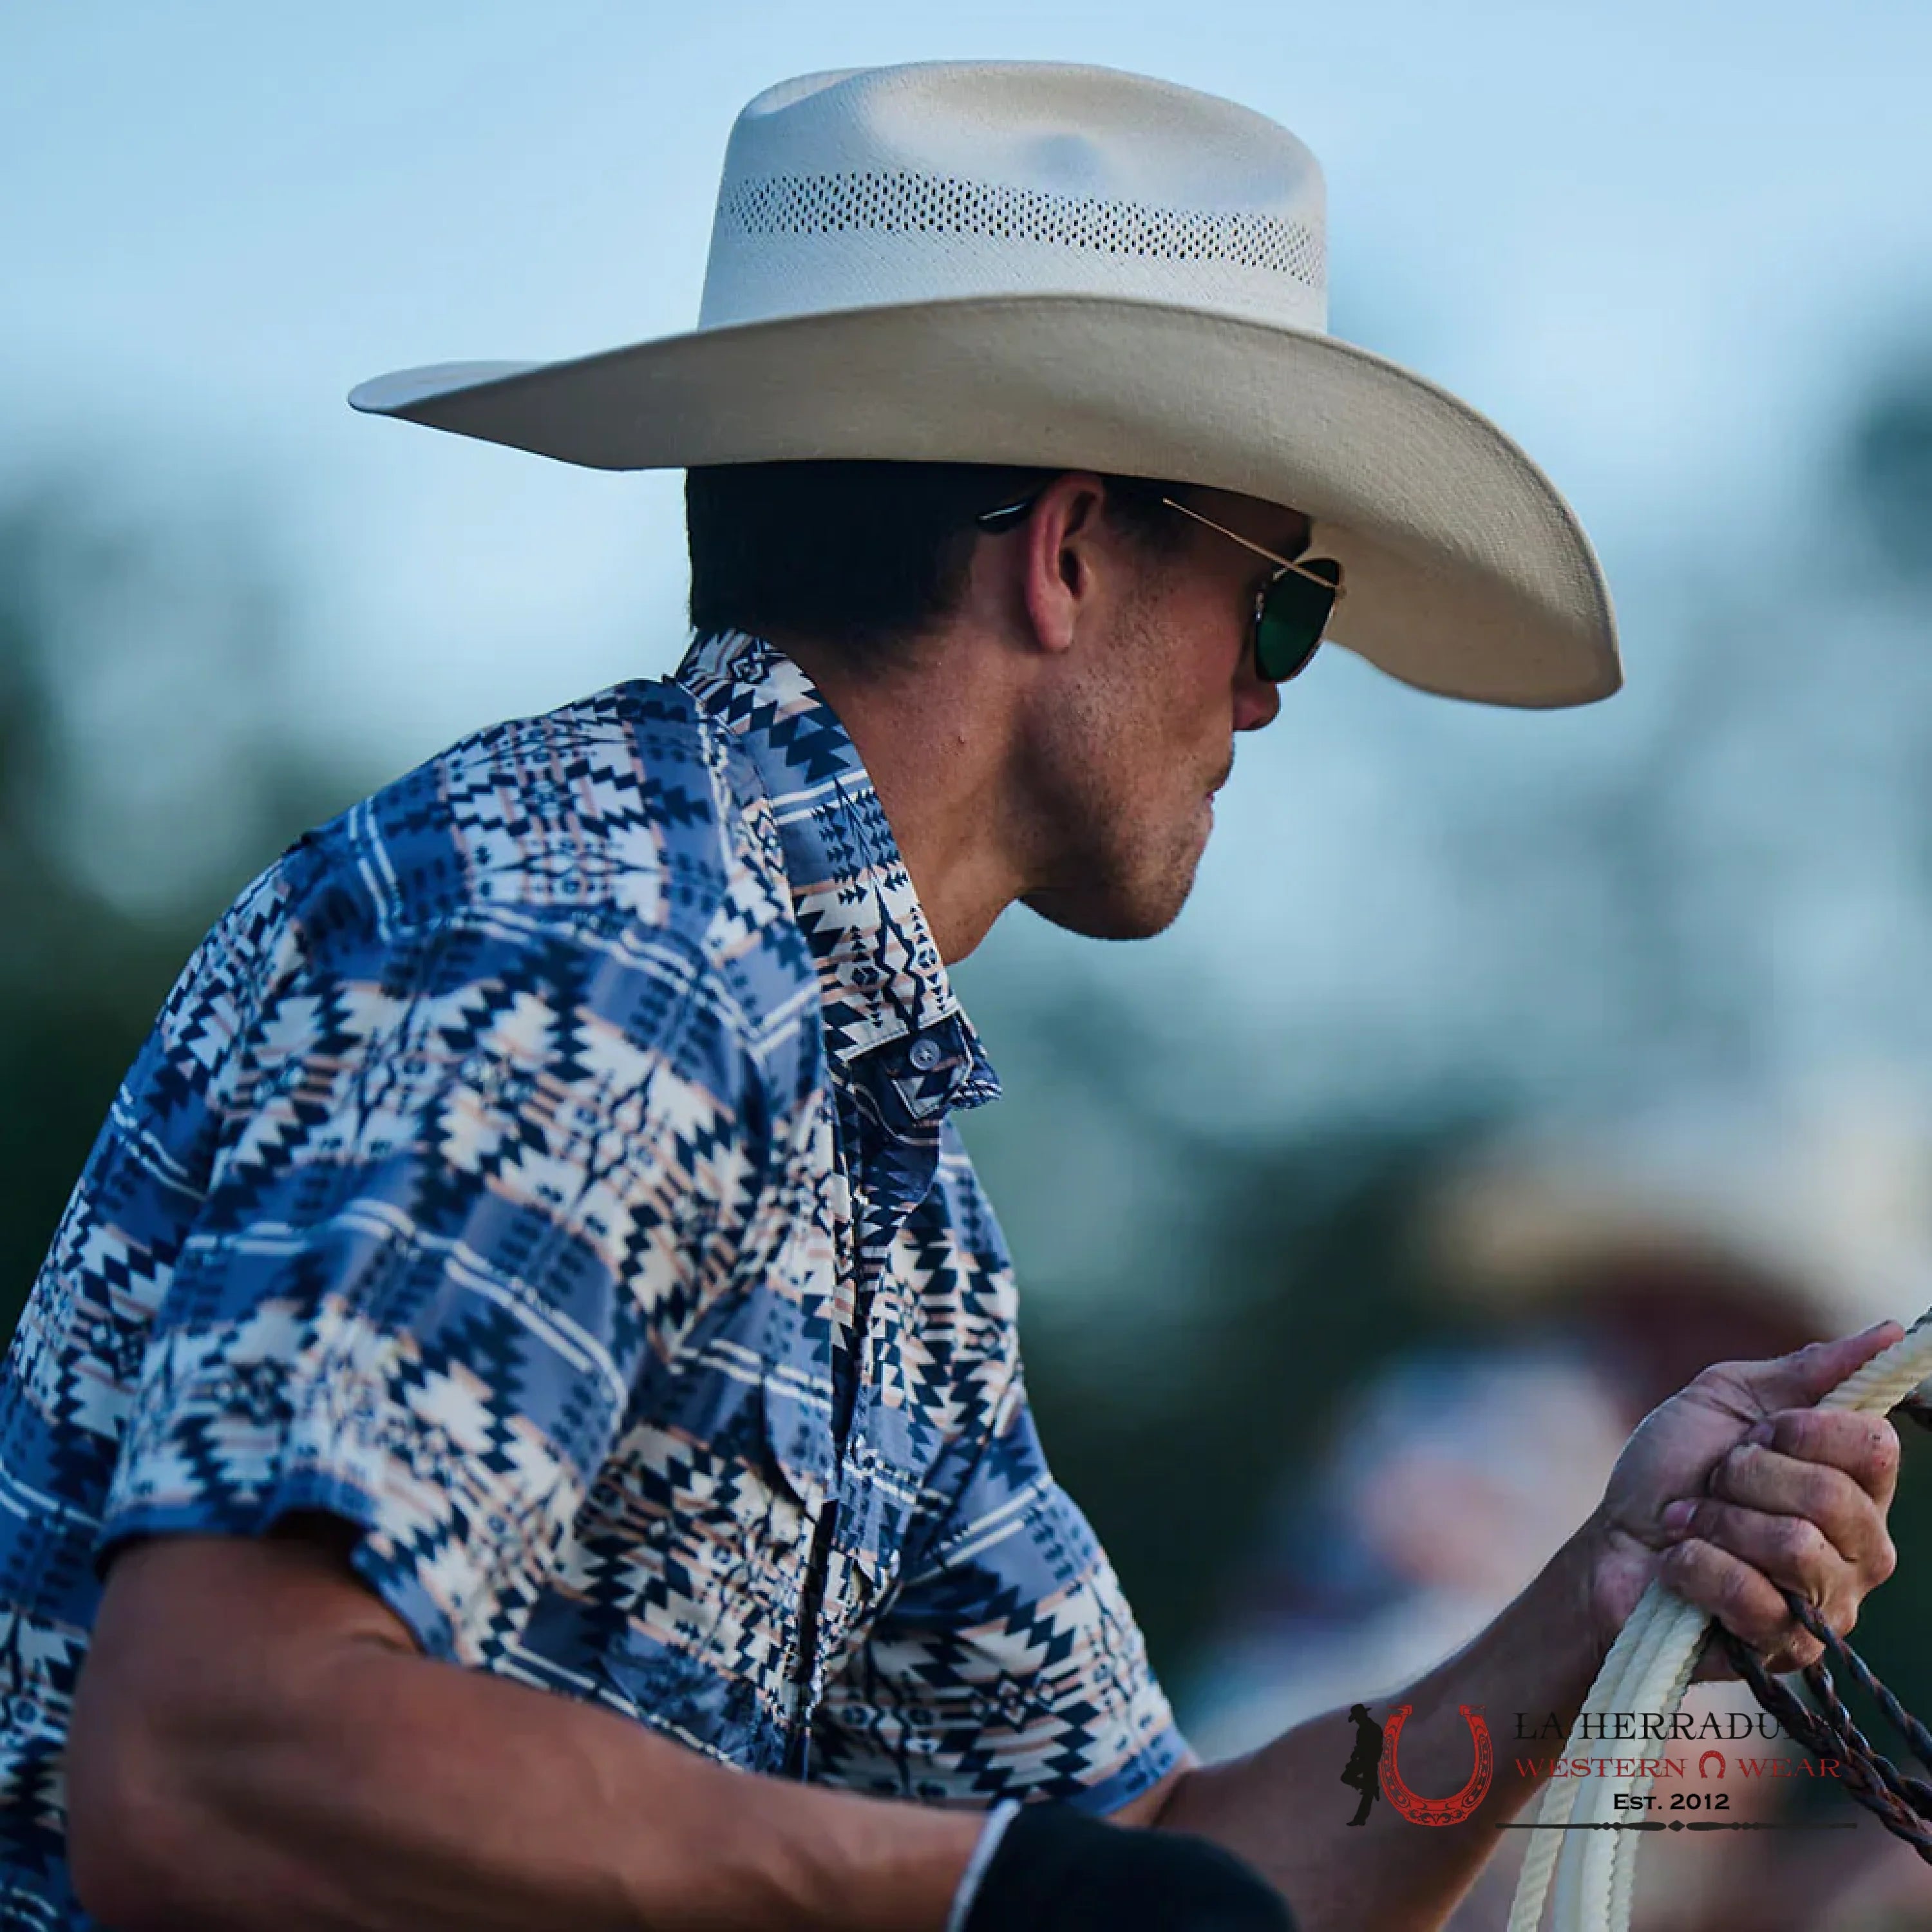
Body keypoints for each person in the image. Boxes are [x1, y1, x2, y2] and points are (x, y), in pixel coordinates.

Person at [0, 60, 1905, 1932]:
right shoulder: (618, 946)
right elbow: (207, 1763)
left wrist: (1593, 1593)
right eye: (1278, 600)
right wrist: (992, 1896)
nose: (1266, 691)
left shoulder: (876, 1165)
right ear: (1070, 552)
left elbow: (1167, 1860)